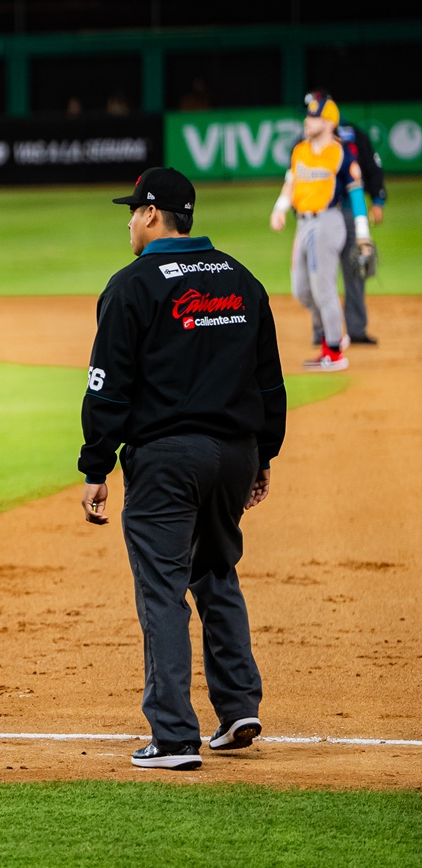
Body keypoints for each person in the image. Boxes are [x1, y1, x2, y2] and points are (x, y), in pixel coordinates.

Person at [80, 167, 287, 771]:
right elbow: (269, 383)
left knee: (162, 588)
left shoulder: (132, 286)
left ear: (151, 213)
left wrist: (96, 466)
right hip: (233, 454)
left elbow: (108, 390)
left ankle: (172, 735)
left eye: (131, 211)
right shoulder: (242, 280)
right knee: (216, 569)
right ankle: (239, 705)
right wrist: (262, 455)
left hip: (168, 460)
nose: (127, 222)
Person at [270, 93, 375, 371]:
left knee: (324, 289)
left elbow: (355, 195)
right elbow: (290, 183)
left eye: (314, 117)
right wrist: (280, 208)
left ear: (328, 122)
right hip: (303, 224)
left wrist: (363, 234)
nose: (307, 121)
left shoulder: (342, 153)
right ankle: (334, 334)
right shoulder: (300, 150)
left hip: (328, 222)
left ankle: (334, 352)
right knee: (301, 290)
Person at [302, 89, 387, 346]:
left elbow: (370, 167)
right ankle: (322, 331)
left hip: (348, 210)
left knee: (355, 268)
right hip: (321, 214)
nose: (309, 116)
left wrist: (378, 200)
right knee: (318, 276)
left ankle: (357, 328)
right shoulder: (304, 141)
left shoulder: (352, 133)